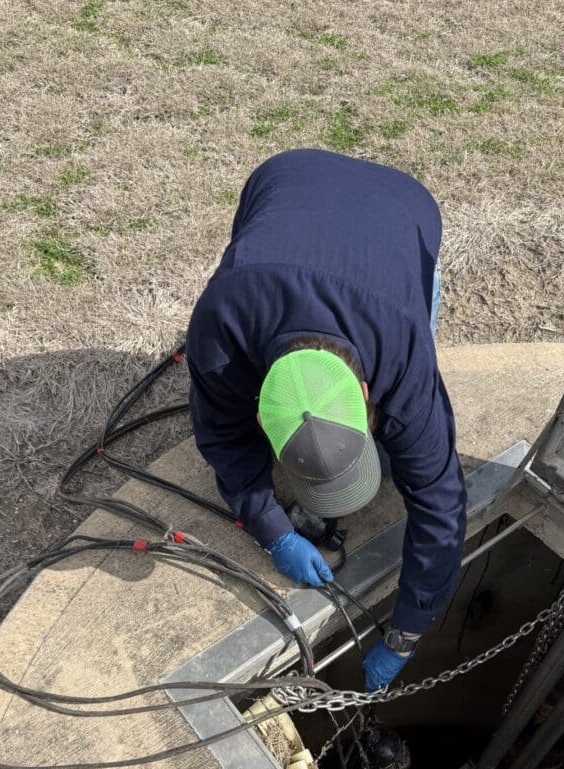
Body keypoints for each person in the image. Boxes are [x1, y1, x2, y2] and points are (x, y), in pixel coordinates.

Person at [186, 149, 467, 691]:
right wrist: (272, 530)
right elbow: (222, 435)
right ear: (262, 407)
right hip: (284, 178)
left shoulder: (404, 353)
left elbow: (439, 499)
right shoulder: (220, 329)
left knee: (414, 434)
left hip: (404, 208)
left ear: (368, 393)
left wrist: (409, 629)